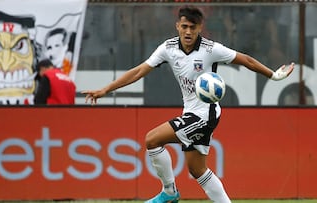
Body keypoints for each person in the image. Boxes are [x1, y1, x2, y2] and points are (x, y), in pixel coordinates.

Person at [83, 5, 294, 203]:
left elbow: (245, 59)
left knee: (152, 140)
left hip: (205, 114)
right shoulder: (168, 48)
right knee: (197, 170)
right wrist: (105, 90)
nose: (188, 32)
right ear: (177, 26)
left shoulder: (211, 49)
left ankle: (169, 192)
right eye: (184, 26)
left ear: (200, 28)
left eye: (193, 27)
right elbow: (139, 71)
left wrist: (273, 75)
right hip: (192, 112)